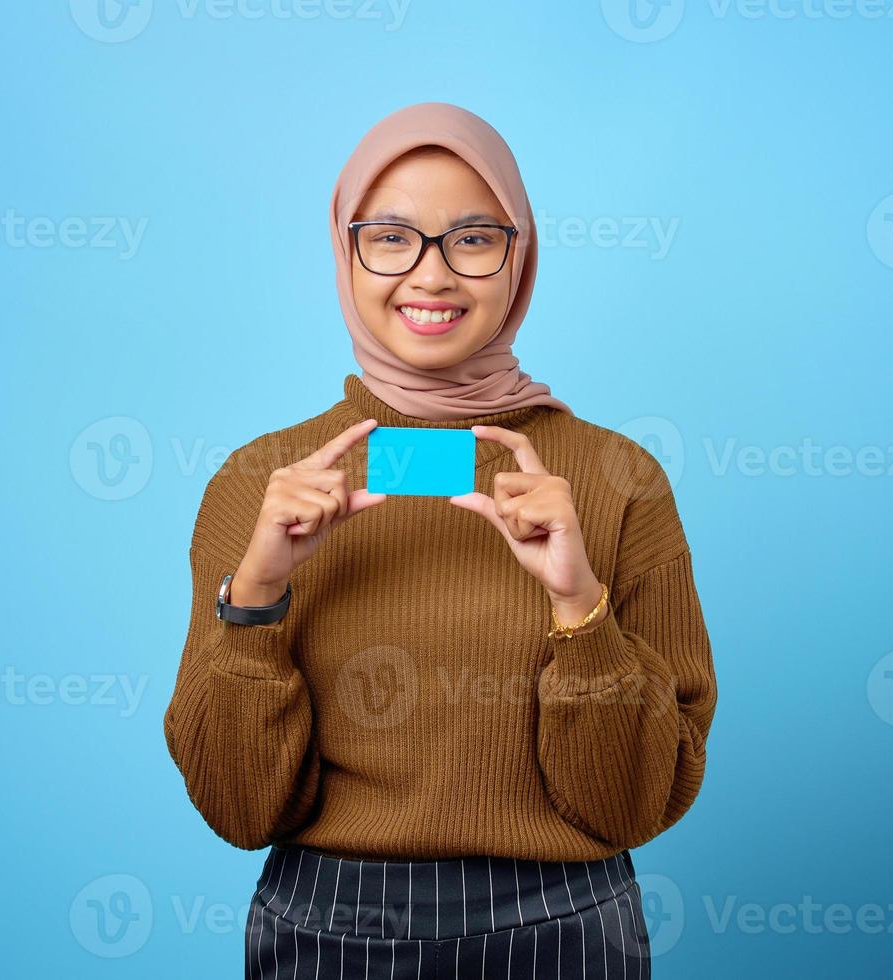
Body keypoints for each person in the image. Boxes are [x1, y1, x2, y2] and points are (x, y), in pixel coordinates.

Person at [163, 101, 717, 979]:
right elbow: (236, 809)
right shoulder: (257, 484)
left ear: (519, 254)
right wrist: (257, 593)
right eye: (390, 237)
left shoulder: (616, 479)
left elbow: (635, 802)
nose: (431, 275)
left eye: (472, 238)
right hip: (327, 932)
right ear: (345, 255)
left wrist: (581, 607)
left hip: (563, 929)